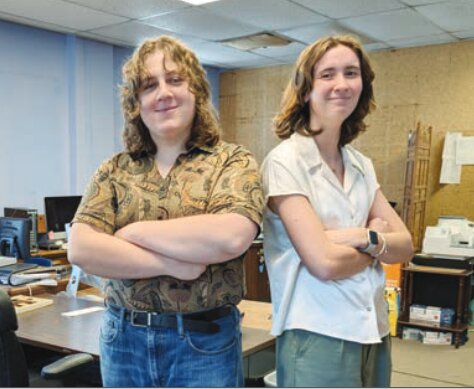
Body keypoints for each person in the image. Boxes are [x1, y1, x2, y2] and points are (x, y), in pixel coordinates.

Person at [68, 35, 263, 387]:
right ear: (136, 102)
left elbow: (230, 236)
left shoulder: (232, 161)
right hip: (122, 340)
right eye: (149, 85)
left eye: (175, 80)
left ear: (197, 92)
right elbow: (81, 248)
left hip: (203, 343)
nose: (164, 93)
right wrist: (174, 263)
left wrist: (131, 233)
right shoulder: (114, 170)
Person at [261, 35, 414, 387]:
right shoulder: (286, 162)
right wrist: (378, 247)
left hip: (372, 326)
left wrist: (360, 236)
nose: (341, 84)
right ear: (305, 89)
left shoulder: (361, 164)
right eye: (327, 75)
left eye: (351, 73)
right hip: (317, 329)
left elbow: (405, 246)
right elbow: (324, 264)